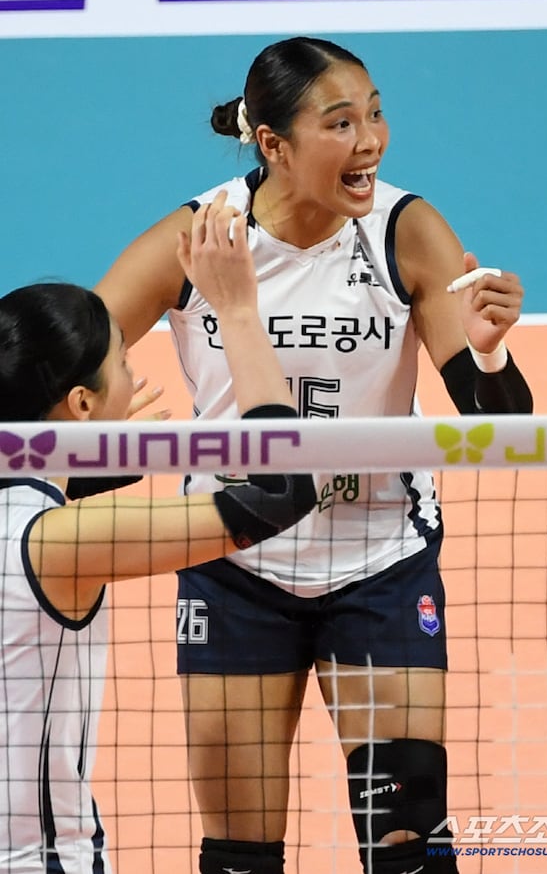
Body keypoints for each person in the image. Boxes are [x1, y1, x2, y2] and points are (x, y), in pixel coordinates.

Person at [95, 36, 534, 874]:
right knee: (240, 857)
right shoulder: (199, 238)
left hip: (380, 568)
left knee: (409, 850)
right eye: (340, 123)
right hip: (233, 567)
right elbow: (66, 373)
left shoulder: (408, 232)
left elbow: (503, 431)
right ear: (273, 144)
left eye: (376, 114)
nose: (370, 140)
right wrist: (108, 454)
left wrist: (486, 352)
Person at [0, 200, 317, 874]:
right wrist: (237, 312)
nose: (135, 378)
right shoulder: (63, 541)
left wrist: (88, 463)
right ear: (81, 404)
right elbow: (283, 492)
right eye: (122, 363)